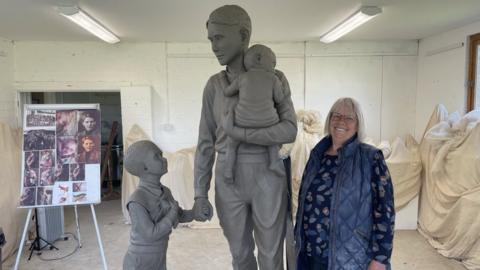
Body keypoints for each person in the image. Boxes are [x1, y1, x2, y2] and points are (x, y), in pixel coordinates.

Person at [192, 5, 297, 270]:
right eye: (210, 40)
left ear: (243, 34)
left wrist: (244, 134)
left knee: (271, 256)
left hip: (267, 175)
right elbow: (205, 142)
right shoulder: (215, 86)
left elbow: (289, 129)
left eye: (219, 38)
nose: (214, 46)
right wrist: (199, 194)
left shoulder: (275, 79)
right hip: (228, 179)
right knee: (239, 254)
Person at [294, 97, 395, 270]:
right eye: (336, 115)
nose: (341, 121)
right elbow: (304, 201)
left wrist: (380, 259)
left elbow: (385, 211)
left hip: (351, 258)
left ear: (358, 124)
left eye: (349, 118)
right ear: (329, 119)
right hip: (311, 256)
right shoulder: (317, 155)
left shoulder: (371, 158)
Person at [123, 140, 194, 270]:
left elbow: (179, 215)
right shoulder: (137, 201)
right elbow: (150, 234)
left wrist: (196, 213)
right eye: (157, 156)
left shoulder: (165, 191)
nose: (164, 159)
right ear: (144, 167)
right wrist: (172, 214)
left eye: (161, 155)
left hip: (159, 256)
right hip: (140, 261)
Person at [223, 44, 285, 179]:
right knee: (272, 141)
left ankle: (228, 170)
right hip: (267, 122)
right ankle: (274, 161)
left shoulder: (242, 77)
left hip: (242, 120)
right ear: (259, 58)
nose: (274, 67)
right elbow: (280, 99)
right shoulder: (273, 78)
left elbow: (228, 92)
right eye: (273, 63)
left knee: (232, 145)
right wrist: (279, 85)